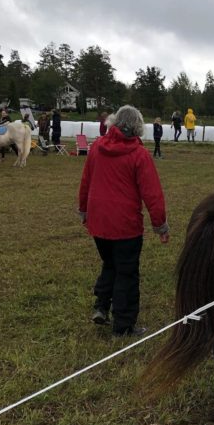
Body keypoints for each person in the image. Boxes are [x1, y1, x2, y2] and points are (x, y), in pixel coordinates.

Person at [78, 105, 170, 336]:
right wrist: (160, 225)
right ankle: (124, 325)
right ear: (138, 126)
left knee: (110, 264)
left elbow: (85, 182)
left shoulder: (97, 147)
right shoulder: (139, 155)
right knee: (127, 272)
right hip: (125, 225)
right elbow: (153, 194)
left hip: (99, 222)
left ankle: (101, 306)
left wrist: (84, 211)